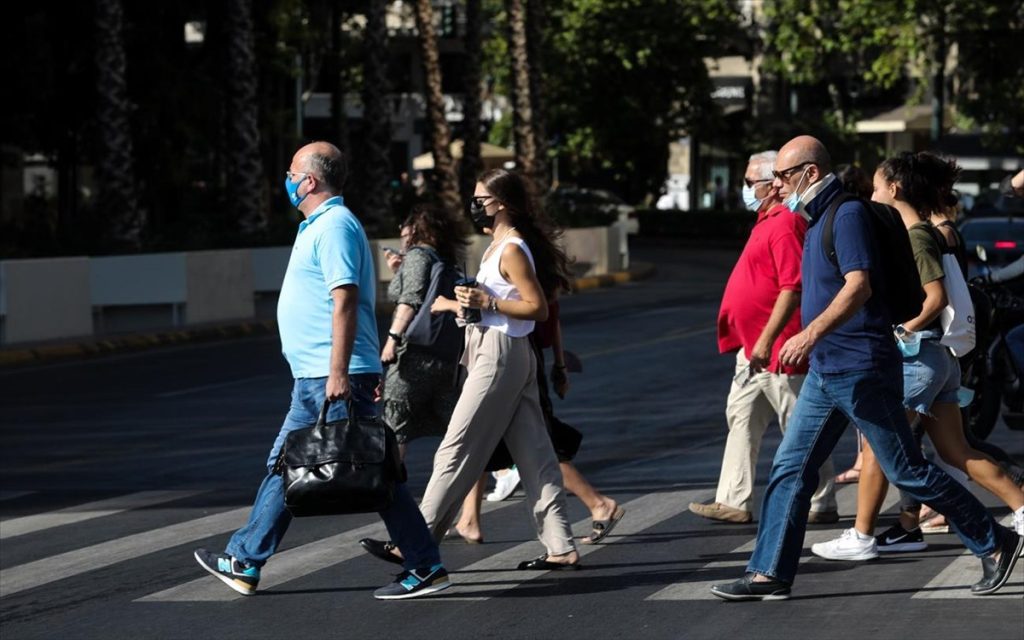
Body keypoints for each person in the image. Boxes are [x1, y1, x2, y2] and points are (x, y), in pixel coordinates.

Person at [710, 135, 1022, 601]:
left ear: (810, 173)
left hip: (860, 367)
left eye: (782, 176)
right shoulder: (816, 219)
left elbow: (859, 286)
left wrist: (808, 332)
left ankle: (995, 541)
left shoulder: (847, 215)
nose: (776, 186)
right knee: (790, 469)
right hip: (827, 369)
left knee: (908, 470)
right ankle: (768, 572)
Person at [193, 141, 450, 601]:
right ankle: (245, 560)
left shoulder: (334, 226)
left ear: (309, 180)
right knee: (318, 466)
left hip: (333, 375)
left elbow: (345, 299)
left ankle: (423, 563)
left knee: (345, 468)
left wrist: (337, 373)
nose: (287, 180)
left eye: (292, 172)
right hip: (321, 374)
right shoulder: (320, 225)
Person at [361, 168, 580, 570]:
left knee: (456, 447)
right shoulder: (496, 246)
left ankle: (415, 540)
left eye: (482, 200)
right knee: (535, 454)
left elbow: (538, 308)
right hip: (500, 349)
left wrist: (487, 302)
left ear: (504, 204)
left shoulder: (512, 248)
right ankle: (561, 546)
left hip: (500, 355)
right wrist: (467, 305)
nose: (475, 206)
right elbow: (493, 306)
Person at [811, 152, 1024, 562]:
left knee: (877, 447)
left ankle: (861, 535)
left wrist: (900, 331)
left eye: (876, 188)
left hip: (918, 355)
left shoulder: (917, 235)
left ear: (893, 189)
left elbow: (935, 299)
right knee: (956, 451)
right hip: (939, 358)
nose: (871, 196)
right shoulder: (928, 231)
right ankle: (1016, 509)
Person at [690, 150, 837, 525]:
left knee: (799, 424)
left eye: (748, 182)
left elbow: (793, 287)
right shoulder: (767, 221)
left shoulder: (787, 224)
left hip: (779, 347)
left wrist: (766, 340)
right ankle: (734, 500)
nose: (745, 189)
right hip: (754, 348)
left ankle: (821, 502)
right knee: (741, 416)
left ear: (771, 184)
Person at [452, 297, 625, 545]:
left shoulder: (517, 262)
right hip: (513, 355)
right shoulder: (530, 264)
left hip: (516, 357)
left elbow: (544, 313)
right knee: (482, 436)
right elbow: (552, 317)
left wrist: (453, 304)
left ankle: (598, 504)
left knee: (538, 442)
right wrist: (560, 364)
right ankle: (469, 518)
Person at [381, 205, 467, 460]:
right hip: (444, 357)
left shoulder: (419, 255)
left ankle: (391, 492)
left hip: (415, 356)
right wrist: (399, 271)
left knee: (394, 426)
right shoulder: (442, 259)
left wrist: (392, 340)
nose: (401, 233)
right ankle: (502, 471)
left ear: (415, 229)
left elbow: (410, 300)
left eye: (403, 227)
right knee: (456, 427)